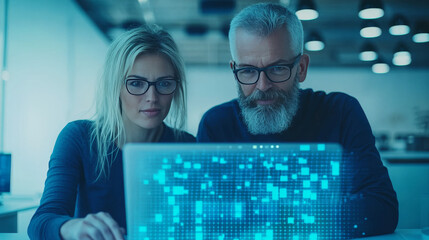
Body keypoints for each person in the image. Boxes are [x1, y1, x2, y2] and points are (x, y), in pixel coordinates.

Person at [197, 3, 398, 238]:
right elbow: (208, 219)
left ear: (301, 68)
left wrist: (273, 217)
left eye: (278, 69)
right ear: (234, 70)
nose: (263, 86)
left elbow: (381, 209)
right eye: (248, 71)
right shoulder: (216, 125)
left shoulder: (341, 112)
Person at [28, 24, 195, 240]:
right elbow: (41, 222)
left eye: (164, 83)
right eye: (136, 83)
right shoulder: (79, 137)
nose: (152, 97)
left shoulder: (187, 146)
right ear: (115, 86)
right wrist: (73, 227)